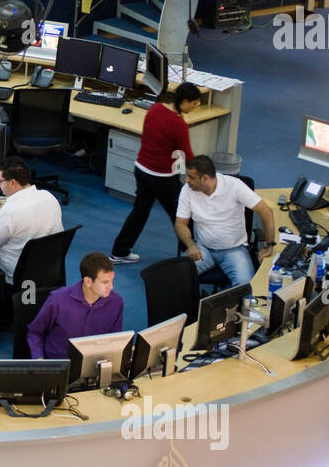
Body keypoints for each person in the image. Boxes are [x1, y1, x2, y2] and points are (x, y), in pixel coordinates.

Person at [109, 82, 202, 264]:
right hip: (162, 178)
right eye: (194, 103)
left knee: (139, 212)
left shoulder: (155, 108)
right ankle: (189, 254)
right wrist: (199, 176)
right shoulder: (179, 124)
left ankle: (119, 251)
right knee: (181, 215)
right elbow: (187, 154)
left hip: (141, 169)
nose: (195, 106)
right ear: (184, 101)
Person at [174, 155, 276, 287]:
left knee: (245, 287)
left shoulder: (234, 186)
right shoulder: (187, 190)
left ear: (205, 178)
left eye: (191, 177)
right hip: (203, 248)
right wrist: (190, 245)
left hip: (234, 250)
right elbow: (180, 223)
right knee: (176, 277)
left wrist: (269, 245)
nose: (186, 180)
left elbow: (266, 211)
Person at [0, 157, 64, 288]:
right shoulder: (49, 197)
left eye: (0, 181)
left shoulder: (10, 210)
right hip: (47, 270)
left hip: (13, 276)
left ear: (12, 182)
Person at [27, 252, 124, 360]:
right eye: (105, 282)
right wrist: (39, 359)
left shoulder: (116, 302)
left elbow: (114, 340)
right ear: (88, 281)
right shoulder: (58, 300)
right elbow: (35, 332)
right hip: (60, 363)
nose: (111, 287)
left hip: (94, 364)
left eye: (111, 280)